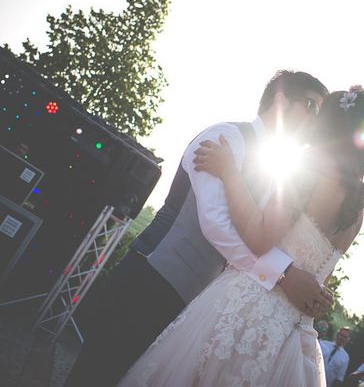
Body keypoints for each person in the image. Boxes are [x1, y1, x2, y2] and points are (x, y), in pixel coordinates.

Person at [65, 70, 332, 387]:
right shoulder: (224, 138)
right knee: (98, 376)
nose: (315, 119)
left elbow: (262, 233)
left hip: (198, 309)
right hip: (151, 281)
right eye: (311, 106)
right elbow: (215, 224)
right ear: (281, 100)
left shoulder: (279, 175)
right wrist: (283, 274)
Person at [117, 86, 364, 386]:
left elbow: (259, 238)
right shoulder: (357, 207)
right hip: (292, 334)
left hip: (247, 311)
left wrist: (230, 172)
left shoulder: (308, 169)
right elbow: (319, 278)